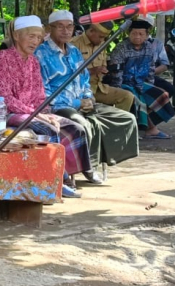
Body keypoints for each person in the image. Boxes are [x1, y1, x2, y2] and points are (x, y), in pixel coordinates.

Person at [0, 15, 91, 198]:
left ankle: (68, 176)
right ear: (17, 36)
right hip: (7, 113)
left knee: (75, 128)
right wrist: (37, 115)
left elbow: (39, 95)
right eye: (30, 36)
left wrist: (45, 113)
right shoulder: (1, 59)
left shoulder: (33, 61)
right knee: (47, 129)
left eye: (38, 37)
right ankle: (56, 179)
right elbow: (6, 99)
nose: (35, 42)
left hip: (32, 112)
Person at [36, 11, 139, 185]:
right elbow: (44, 92)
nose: (66, 31)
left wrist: (88, 98)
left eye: (69, 26)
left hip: (83, 102)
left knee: (125, 118)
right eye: (60, 26)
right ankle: (88, 167)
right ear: (50, 28)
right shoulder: (41, 54)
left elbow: (84, 79)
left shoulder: (74, 51)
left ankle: (105, 158)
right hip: (59, 106)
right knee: (82, 125)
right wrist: (77, 103)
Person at [108, 19, 175, 139]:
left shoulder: (149, 47)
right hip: (124, 83)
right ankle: (138, 129)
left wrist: (149, 85)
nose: (137, 37)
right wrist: (118, 89)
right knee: (137, 100)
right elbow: (116, 72)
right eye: (134, 33)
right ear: (129, 34)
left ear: (147, 36)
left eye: (141, 34)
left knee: (162, 95)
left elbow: (150, 69)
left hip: (141, 82)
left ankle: (148, 127)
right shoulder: (121, 48)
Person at [71, 23, 134, 111]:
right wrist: (92, 71)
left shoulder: (101, 44)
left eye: (104, 37)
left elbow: (103, 64)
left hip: (98, 88)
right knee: (89, 109)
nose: (102, 40)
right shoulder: (74, 44)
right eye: (100, 37)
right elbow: (69, 74)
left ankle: (117, 123)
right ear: (91, 31)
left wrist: (104, 70)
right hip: (80, 90)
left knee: (127, 96)